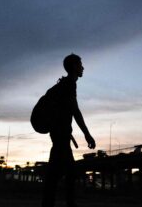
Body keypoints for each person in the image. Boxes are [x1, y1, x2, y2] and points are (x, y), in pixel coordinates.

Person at [41, 54, 96, 207]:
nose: (83, 67)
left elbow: (69, 110)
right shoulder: (69, 84)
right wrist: (87, 134)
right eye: (80, 64)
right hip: (61, 134)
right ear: (73, 67)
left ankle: (50, 202)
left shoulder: (65, 84)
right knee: (68, 172)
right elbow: (75, 111)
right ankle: (67, 203)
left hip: (59, 133)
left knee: (57, 172)